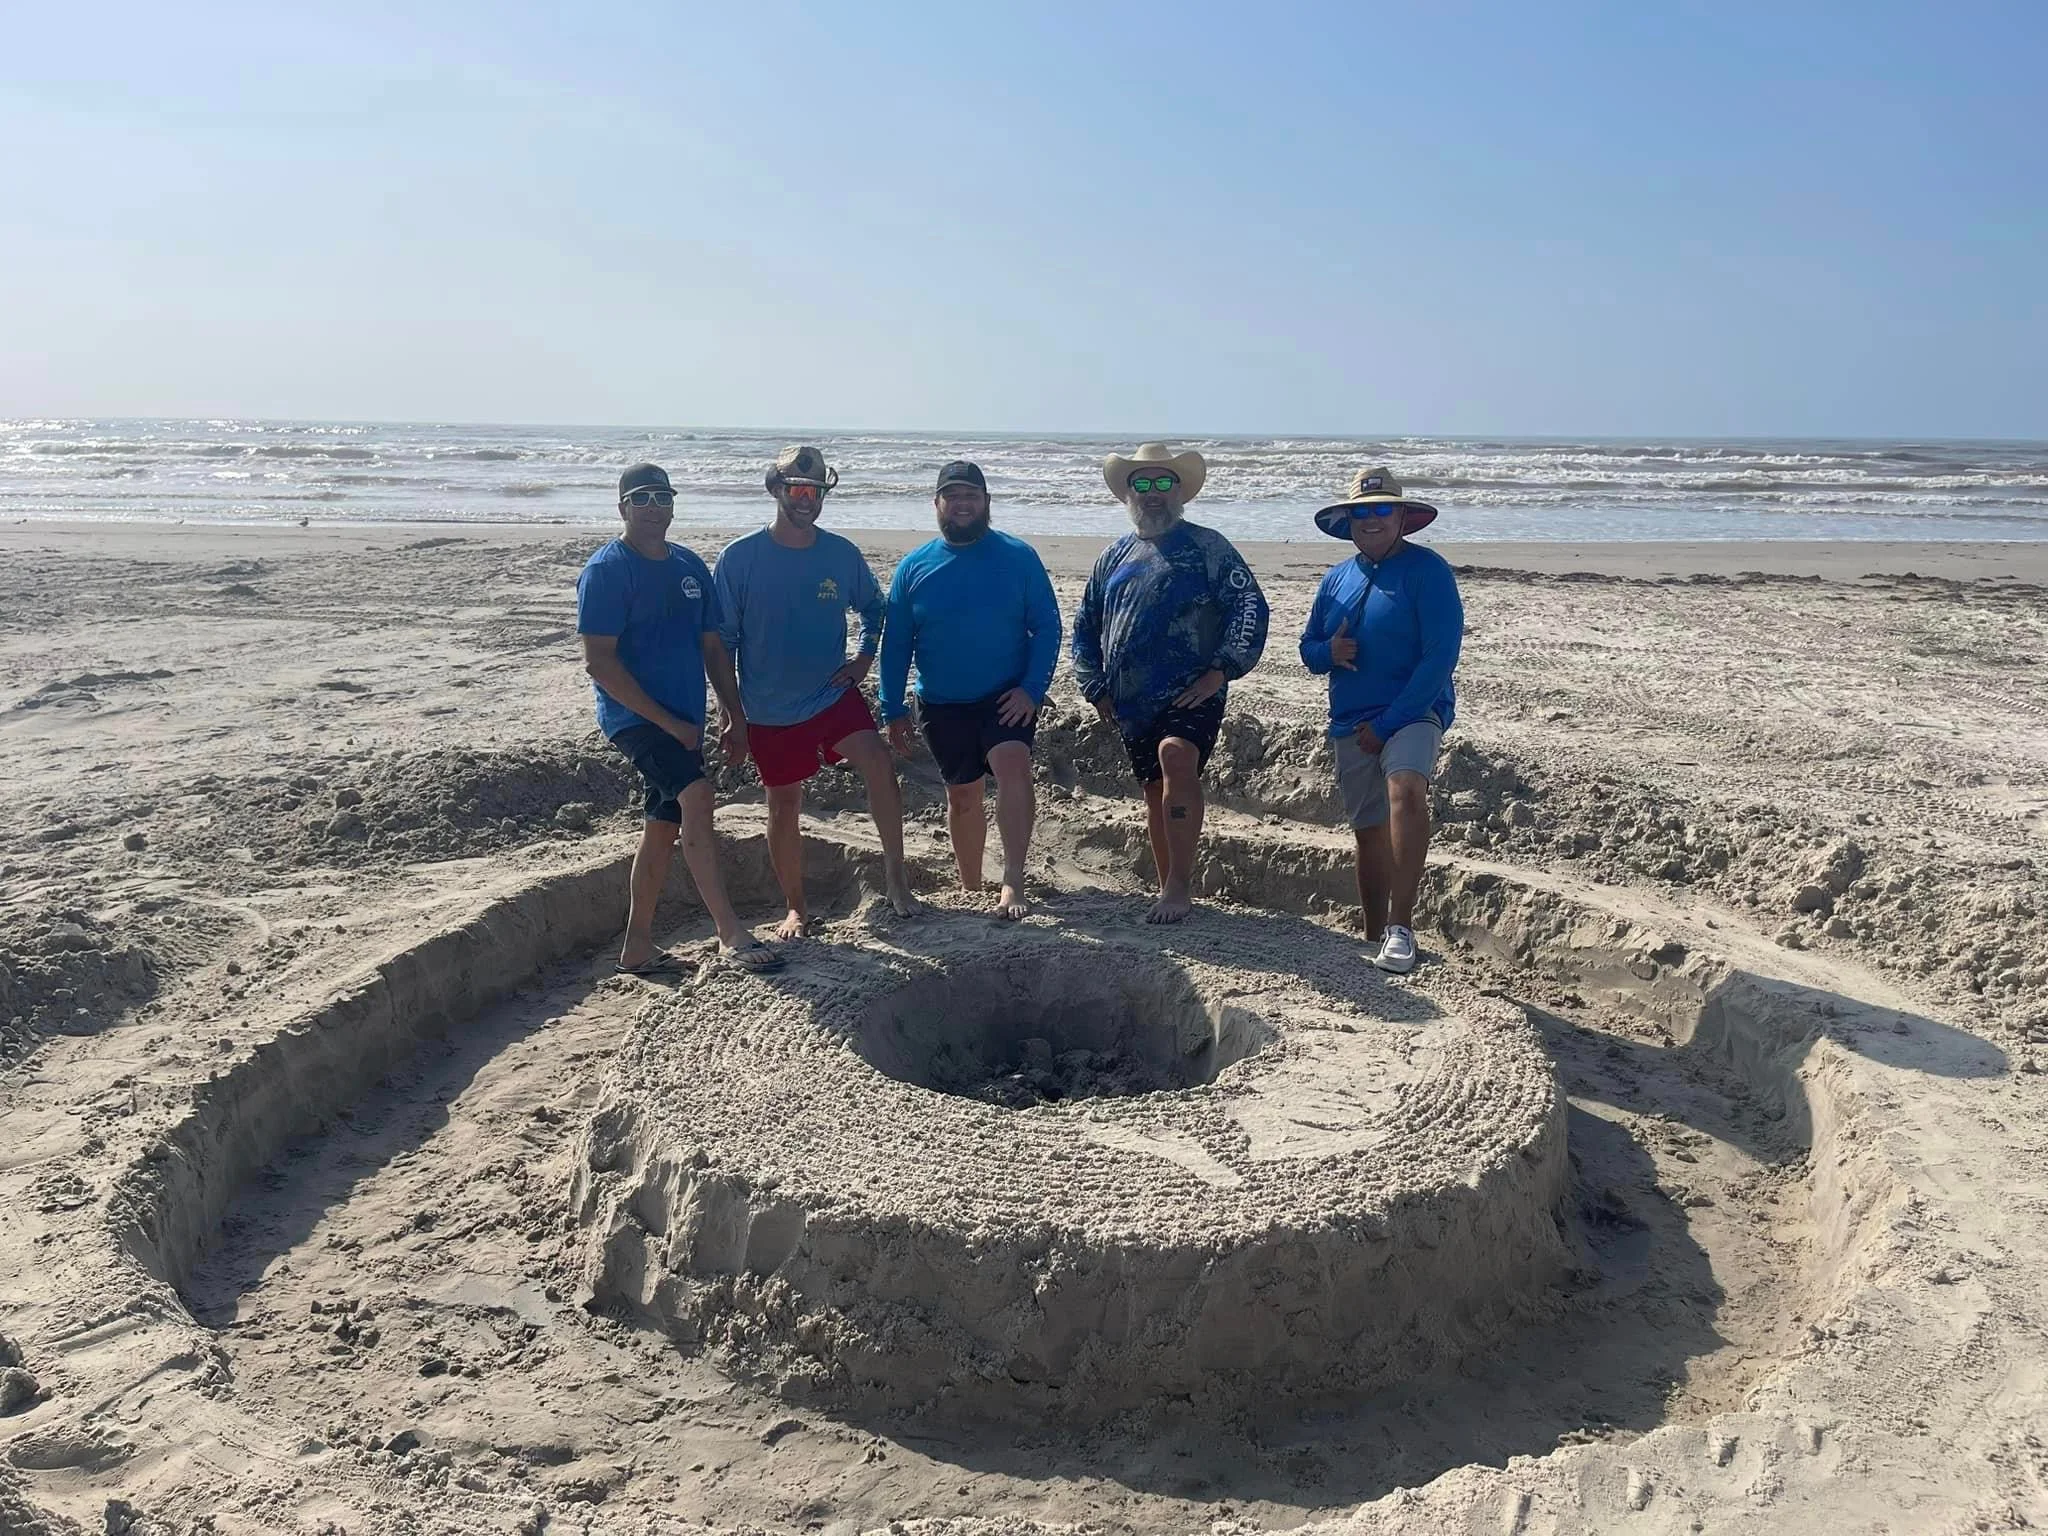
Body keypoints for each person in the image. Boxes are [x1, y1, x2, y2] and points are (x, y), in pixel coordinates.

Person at [576, 463, 781, 975]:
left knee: (662, 826)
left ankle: (637, 945)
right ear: (622, 507)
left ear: (673, 504)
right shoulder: (607, 569)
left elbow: (713, 647)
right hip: (636, 718)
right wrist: (669, 725)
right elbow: (599, 662)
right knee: (697, 795)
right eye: (640, 498)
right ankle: (730, 932)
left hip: (685, 717)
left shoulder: (690, 566)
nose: (652, 507)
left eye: (661, 497)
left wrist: (735, 715)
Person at [713, 445, 922, 940]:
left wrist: (864, 659)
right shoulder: (739, 559)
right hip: (768, 707)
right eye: (797, 489)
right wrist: (731, 714)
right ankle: (796, 908)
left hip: (831, 694)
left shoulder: (840, 553)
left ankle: (897, 879)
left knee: (878, 761)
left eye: (816, 491)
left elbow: (875, 608)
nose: (807, 499)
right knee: (783, 805)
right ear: (776, 489)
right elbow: (719, 644)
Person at [1071, 443, 1269, 923]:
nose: (1154, 493)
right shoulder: (1112, 556)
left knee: (1176, 756)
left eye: (1164, 483)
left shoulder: (1209, 546)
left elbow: (1250, 607)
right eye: (1143, 483)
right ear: (1128, 493)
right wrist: (1094, 686)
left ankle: (1179, 886)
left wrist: (1222, 668)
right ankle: (1167, 886)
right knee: (1154, 789)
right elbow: (1085, 625)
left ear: (1179, 490)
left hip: (1192, 689)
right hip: (1130, 700)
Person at [1298, 467, 1464, 974]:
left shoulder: (1428, 571)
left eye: (1381, 510)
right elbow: (1307, 651)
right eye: (1361, 512)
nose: (1371, 520)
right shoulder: (1335, 580)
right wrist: (1332, 650)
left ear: (1401, 518)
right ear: (1347, 521)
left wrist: (1390, 723)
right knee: (1368, 831)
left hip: (1415, 710)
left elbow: (1441, 656)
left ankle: (1401, 928)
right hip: (1350, 718)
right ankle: (1373, 933)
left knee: (1407, 790)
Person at [880, 460, 1062, 920]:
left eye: (971, 496)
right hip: (941, 702)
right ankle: (970, 884)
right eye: (953, 496)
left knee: (1013, 764)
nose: (963, 504)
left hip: (1006, 695)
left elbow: (1047, 626)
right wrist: (891, 707)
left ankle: (1013, 880)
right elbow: (897, 642)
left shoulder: (1018, 556)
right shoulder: (913, 567)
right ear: (937, 504)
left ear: (986, 503)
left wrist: (1032, 689)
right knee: (962, 795)